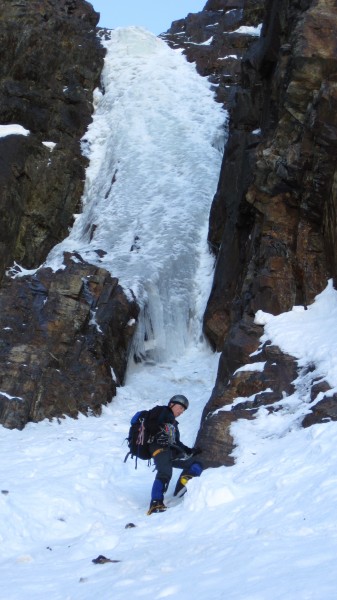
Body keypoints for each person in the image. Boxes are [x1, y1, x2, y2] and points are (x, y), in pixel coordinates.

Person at [147, 394, 203, 515]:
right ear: (172, 404)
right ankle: (155, 504)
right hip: (159, 449)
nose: (182, 411)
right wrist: (158, 434)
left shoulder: (173, 424)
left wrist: (190, 451)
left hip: (170, 452)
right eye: (180, 407)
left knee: (195, 464)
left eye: (183, 409)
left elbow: (176, 442)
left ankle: (186, 482)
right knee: (164, 473)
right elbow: (150, 425)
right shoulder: (161, 411)